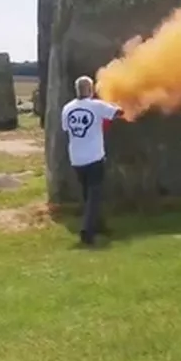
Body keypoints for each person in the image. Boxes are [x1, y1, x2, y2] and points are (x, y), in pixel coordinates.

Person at [60, 76, 123, 247]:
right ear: (90, 89)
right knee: (94, 196)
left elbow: (66, 128)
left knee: (88, 195)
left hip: (76, 159)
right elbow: (118, 113)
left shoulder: (67, 108)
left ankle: (97, 226)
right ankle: (87, 232)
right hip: (94, 158)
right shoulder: (97, 105)